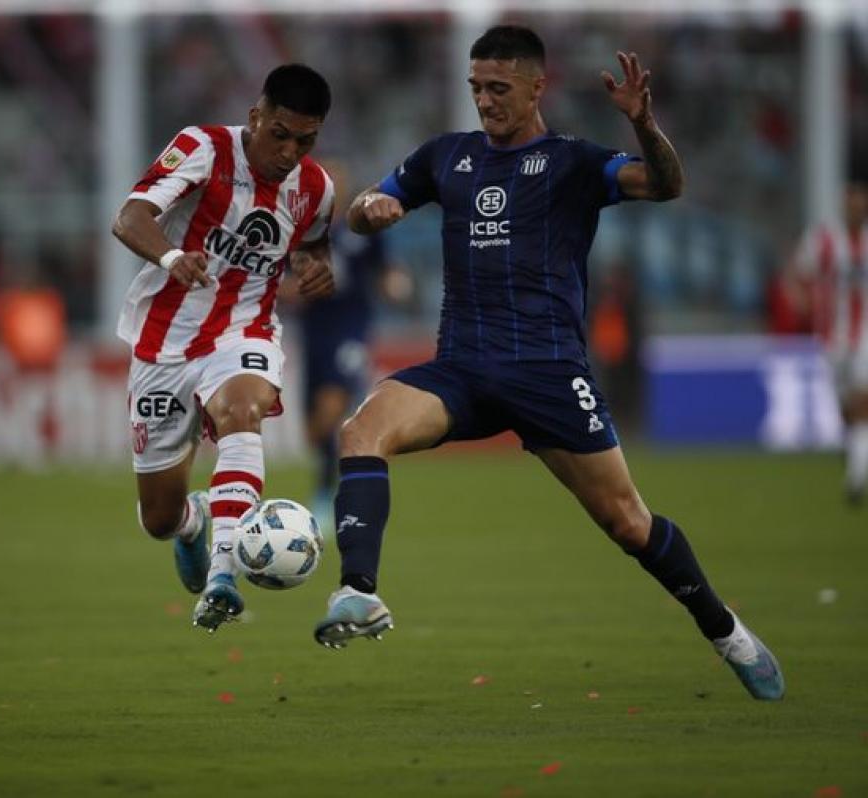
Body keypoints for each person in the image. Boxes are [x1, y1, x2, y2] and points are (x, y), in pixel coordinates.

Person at [314, 25, 785, 701]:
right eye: (477, 88)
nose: (485, 101)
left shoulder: (572, 162)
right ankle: (358, 591)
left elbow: (665, 184)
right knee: (362, 432)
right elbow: (363, 212)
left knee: (628, 522)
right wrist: (371, 208)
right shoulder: (446, 158)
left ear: (539, 86)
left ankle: (725, 631)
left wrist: (646, 125)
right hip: (462, 370)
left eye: (499, 88)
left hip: (548, 372)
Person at [112, 64, 336, 633]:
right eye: (279, 134)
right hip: (163, 344)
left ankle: (223, 578)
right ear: (254, 117)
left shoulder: (317, 189)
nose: (290, 153)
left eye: (305, 141)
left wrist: (316, 271)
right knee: (159, 518)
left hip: (245, 331)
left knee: (243, 411)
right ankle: (193, 525)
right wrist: (170, 257)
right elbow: (129, 217)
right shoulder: (204, 148)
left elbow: (314, 244)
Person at [286, 159, 412, 529]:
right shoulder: (301, 232)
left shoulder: (364, 229)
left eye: (338, 180)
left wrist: (394, 283)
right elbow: (280, 285)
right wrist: (298, 290)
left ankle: (327, 495)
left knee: (330, 410)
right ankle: (333, 482)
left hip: (351, 330)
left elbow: (386, 269)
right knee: (313, 431)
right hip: (313, 332)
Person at [792, 182, 868, 505]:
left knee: (861, 402)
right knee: (845, 411)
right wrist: (806, 304)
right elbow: (798, 274)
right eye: (850, 202)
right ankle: (857, 456)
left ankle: (855, 480)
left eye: (859, 203)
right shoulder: (822, 238)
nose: (855, 208)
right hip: (831, 339)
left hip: (864, 335)